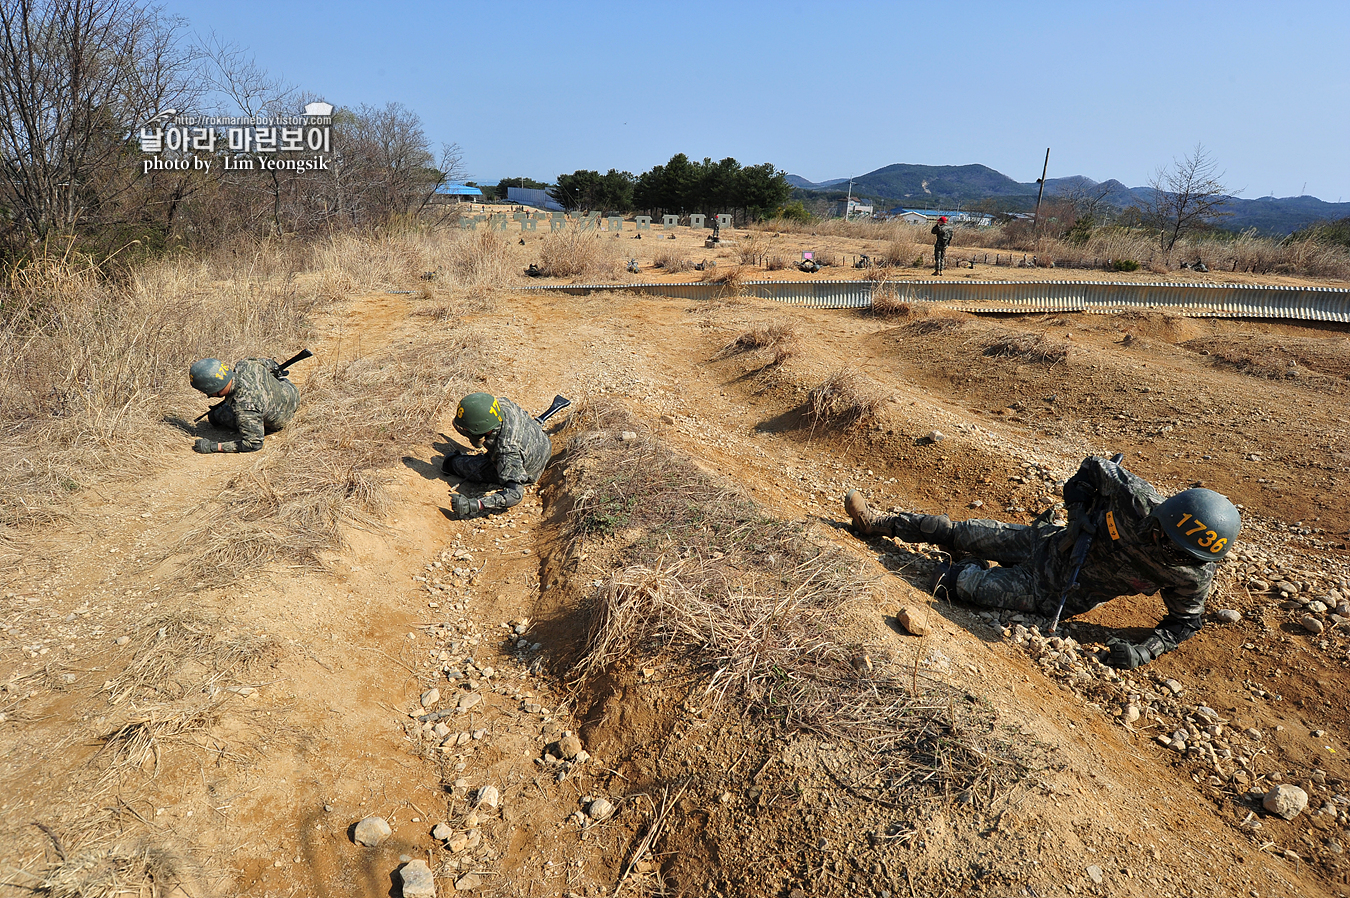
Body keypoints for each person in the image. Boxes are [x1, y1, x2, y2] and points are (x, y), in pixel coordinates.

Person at [843, 455, 1242, 669]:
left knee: (960, 587)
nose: (1170, 555)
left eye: (1184, 555)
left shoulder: (1193, 573)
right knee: (958, 529)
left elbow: (1185, 622)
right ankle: (877, 524)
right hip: (1047, 541)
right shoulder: (1136, 499)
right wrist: (1077, 510)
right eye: (1167, 543)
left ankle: (968, 565)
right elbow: (1091, 469)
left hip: (1051, 592)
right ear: (1160, 520)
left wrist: (1143, 652)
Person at [441, 392, 553, 519]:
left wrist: (475, 504)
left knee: (452, 463)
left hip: (530, 467)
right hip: (541, 442)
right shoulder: (501, 405)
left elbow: (515, 494)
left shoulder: (507, 452)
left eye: (468, 430)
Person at [188, 357, 299, 453]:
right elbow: (271, 364)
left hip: (282, 417)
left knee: (216, 416)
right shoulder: (245, 364)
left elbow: (253, 444)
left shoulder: (244, 408)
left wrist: (214, 446)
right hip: (291, 393)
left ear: (212, 388)